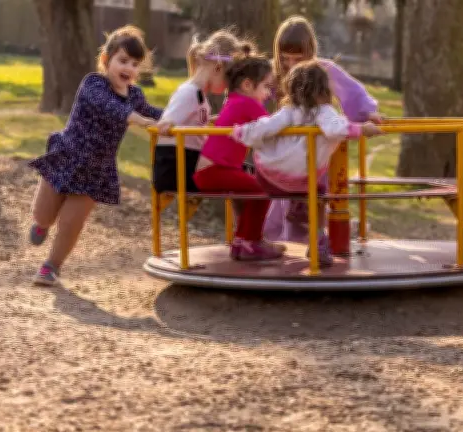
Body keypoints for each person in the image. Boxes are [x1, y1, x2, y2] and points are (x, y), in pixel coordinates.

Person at [27, 25, 166, 286]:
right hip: (67, 155)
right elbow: (109, 107)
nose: (129, 69)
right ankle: (41, 224)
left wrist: (188, 116)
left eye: (135, 64)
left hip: (96, 170)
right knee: (44, 215)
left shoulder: (135, 95)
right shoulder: (93, 84)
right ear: (106, 60)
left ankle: (51, 266)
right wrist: (136, 119)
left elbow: (155, 113)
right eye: (123, 61)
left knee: (71, 223)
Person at [232, 61, 383, 266]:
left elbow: (265, 126)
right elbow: (335, 129)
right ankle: (318, 243)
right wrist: (363, 129)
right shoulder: (324, 111)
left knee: (274, 189)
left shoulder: (288, 111)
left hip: (269, 174)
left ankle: (261, 229)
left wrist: (242, 132)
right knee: (318, 195)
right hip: (303, 180)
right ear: (324, 90)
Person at [264, 15, 383, 243]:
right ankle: (289, 240)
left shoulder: (322, 70)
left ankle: (319, 238)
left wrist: (368, 112)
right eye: (285, 58)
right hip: (288, 150)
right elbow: (253, 100)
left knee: (314, 197)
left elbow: (351, 91)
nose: (291, 65)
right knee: (285, 200)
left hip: (316, 150)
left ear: (310, 53)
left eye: (297, 59)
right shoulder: (272, 73)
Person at [191, 49, 286, 261]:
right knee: (262, 190)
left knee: (255, 189)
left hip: (211, 169)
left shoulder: (233, 100)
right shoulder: (248, 103)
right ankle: (250, 242)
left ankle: (243, 241)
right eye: (266, 87)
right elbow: (273, 126)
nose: (268, 94)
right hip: (214, 170)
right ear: (247, 85)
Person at [152, 30, 242, 194]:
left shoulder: (200, 98)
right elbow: (167, 122)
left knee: (241, 171)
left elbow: (193, 125)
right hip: (175, 170)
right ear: (217, 68)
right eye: (229, 79)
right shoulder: (189, 92)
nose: (229, 87)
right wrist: (168, 124)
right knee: (240, 175)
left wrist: (213, 122)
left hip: (187, 164)